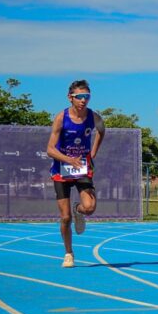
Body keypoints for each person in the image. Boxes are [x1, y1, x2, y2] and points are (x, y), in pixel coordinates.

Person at [46, 79, 104, 268]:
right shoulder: (61, 118)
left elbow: (102, 131)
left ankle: (78, 209)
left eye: (86, 96)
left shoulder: (93, 117)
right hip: (62, 169)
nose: (83, 100)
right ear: (70, 97)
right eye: (79, 97)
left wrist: (93, 150)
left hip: (82, 168)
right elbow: (50, 149)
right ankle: (69, 253)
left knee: (90, 207)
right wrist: (69, 159)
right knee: (65, 218)